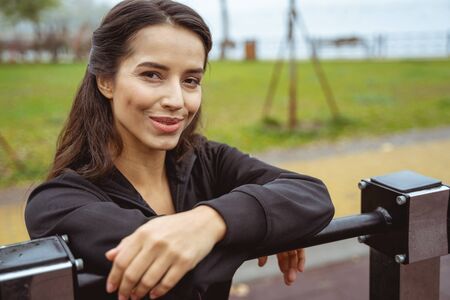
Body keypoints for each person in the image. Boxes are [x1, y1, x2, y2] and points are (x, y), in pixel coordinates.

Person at [24, 0, 334, 299]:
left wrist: (211, 222)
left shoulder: (205, 159)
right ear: (106, 80)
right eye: (152, 75)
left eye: (190, 80)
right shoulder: (57, 205)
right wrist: (266, 225)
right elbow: (182, 271)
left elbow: (311, 194)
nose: (177, 100)